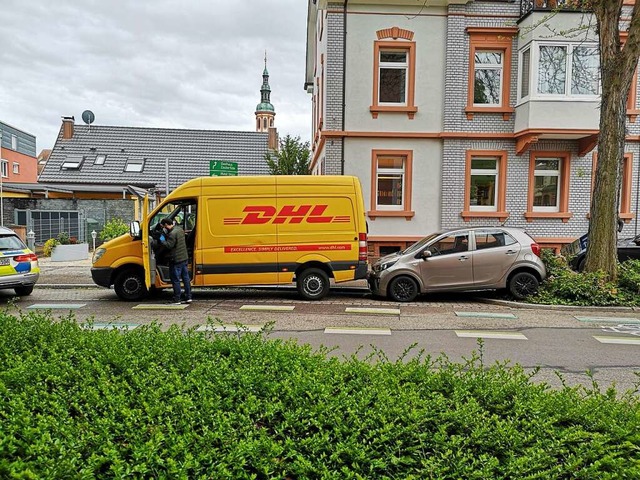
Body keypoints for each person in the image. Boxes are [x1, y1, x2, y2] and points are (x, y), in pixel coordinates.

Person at [158, 217, 192, 304]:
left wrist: (162, 240)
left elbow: (169, 245)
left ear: (166, 225)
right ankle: (188, 297)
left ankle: (177, 299)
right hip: (184, 258)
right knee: (185, 278)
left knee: (175, 279)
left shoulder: (172, 234)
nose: (163, 229)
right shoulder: (179, 229)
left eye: (163, 227)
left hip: (176, 260)